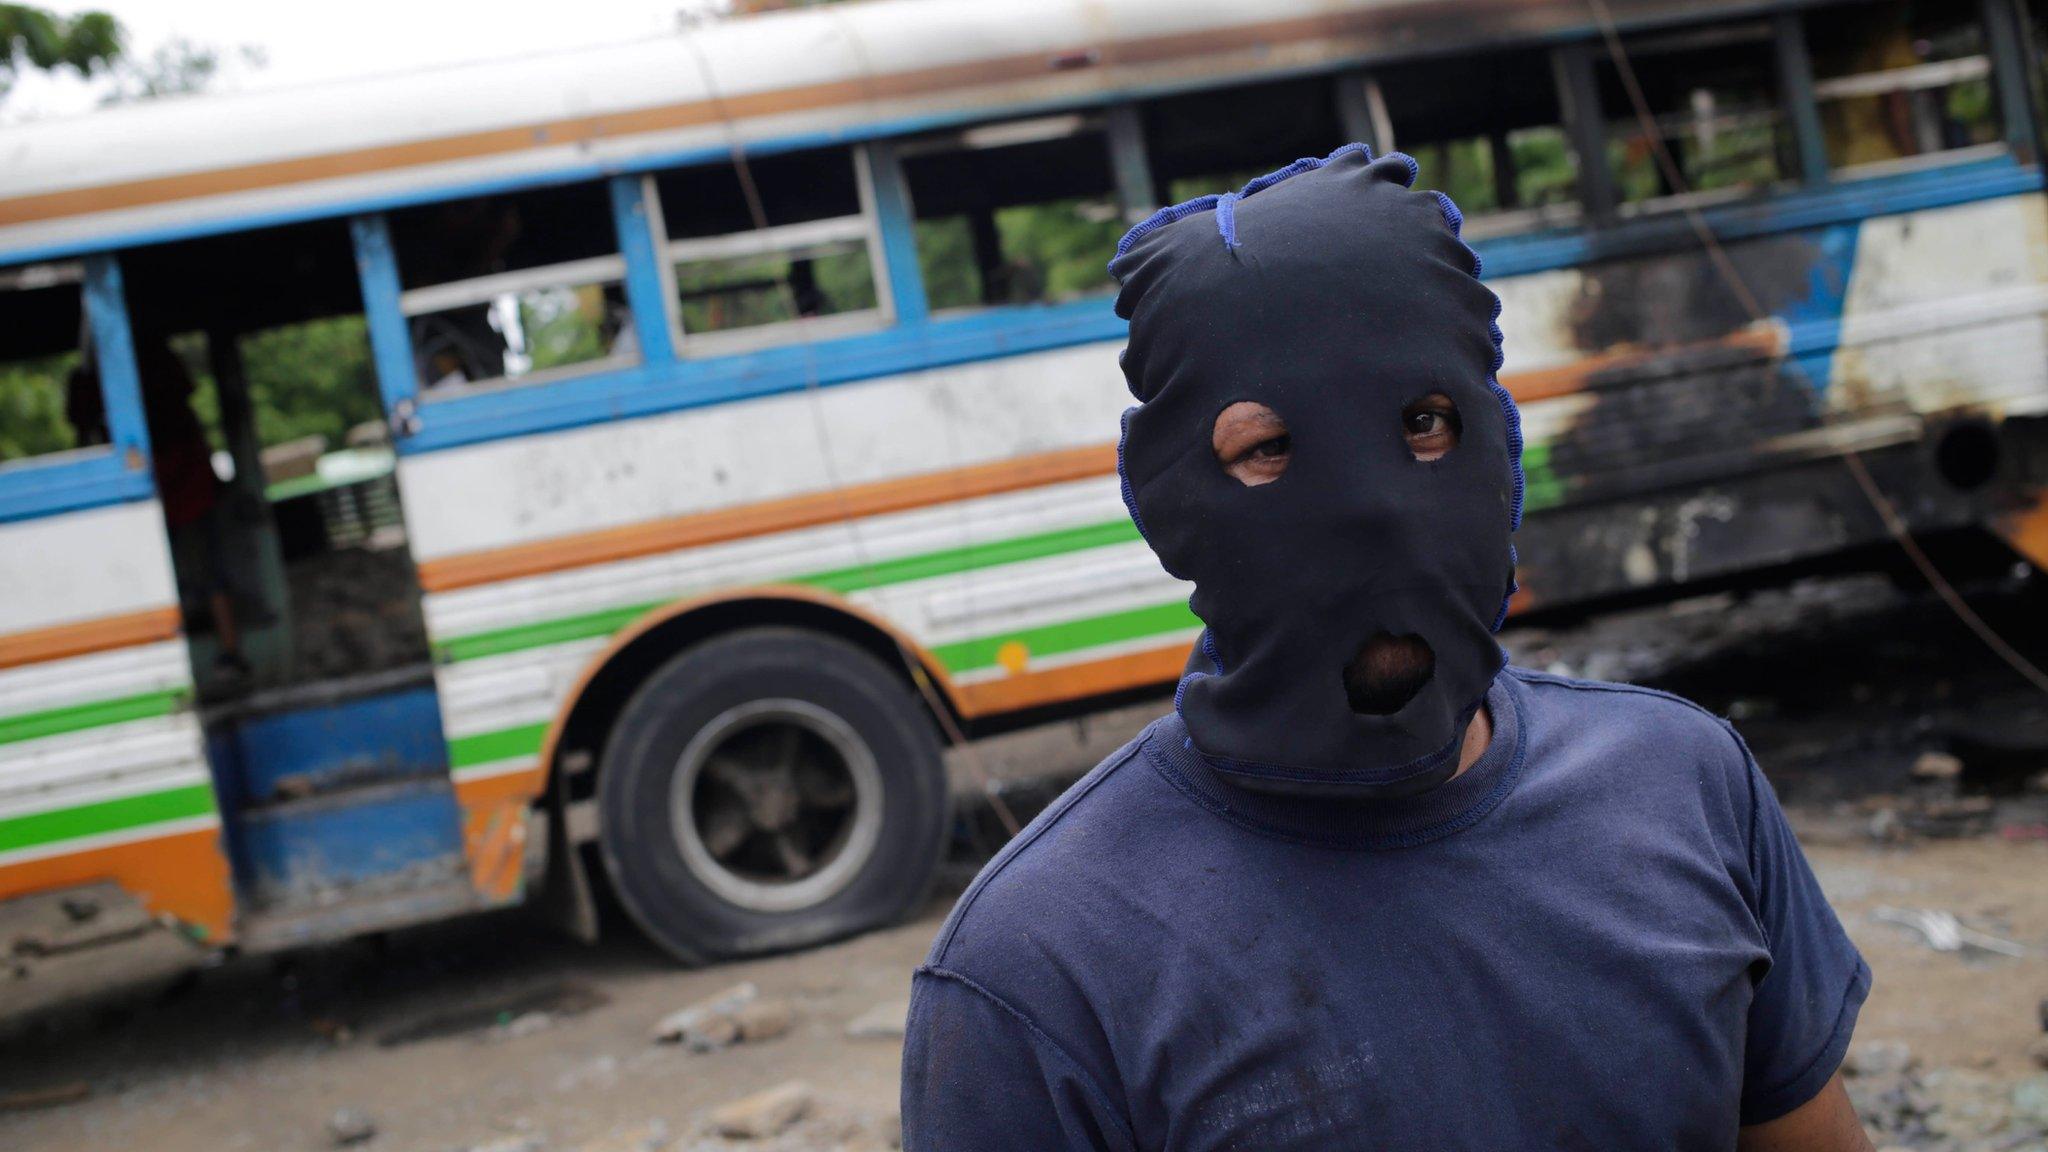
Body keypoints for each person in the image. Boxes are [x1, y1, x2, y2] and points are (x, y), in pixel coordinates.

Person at [900, 145, 1872, 1151]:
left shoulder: (1684, 785)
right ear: (1164, 500)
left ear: (1495, 443)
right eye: (1267, 448)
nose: (1368, 512)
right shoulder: (1036, 970)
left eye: (1421, 423)